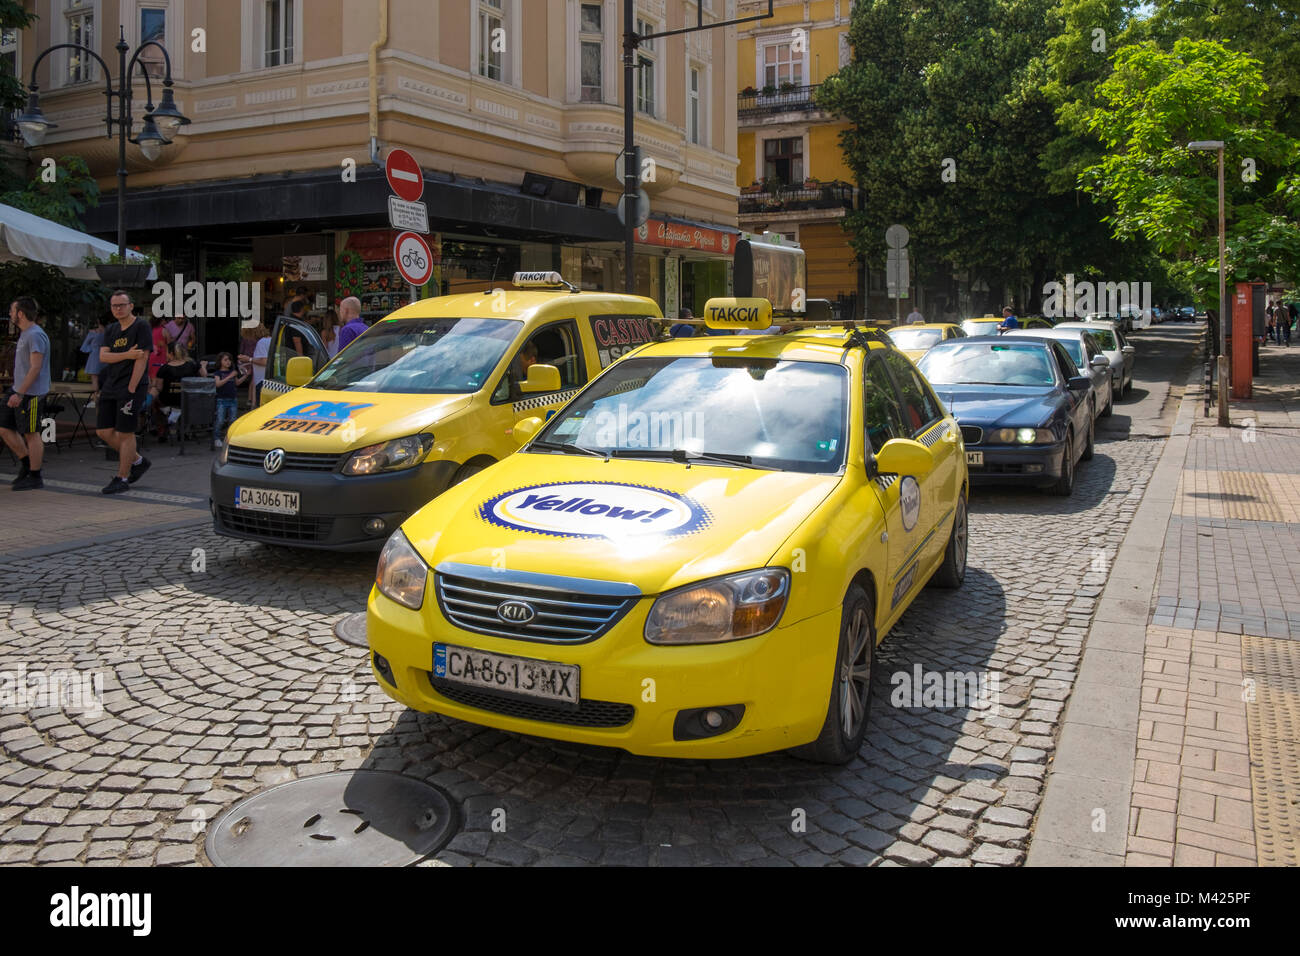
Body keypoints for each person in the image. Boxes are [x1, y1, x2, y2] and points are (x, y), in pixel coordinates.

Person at [95, 290, 152, 494]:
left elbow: (142, 358)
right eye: (114, 305)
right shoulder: (111, 329)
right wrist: (127, 353)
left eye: (121, 305)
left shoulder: (141, 326)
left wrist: (132, 387)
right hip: (111, 383)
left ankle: (122, 477)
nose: (118, 309)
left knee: (125, 432)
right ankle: (137, 460)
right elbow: (103, 357)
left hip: (131, 385)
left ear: (130, 305)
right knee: (103, 431)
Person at [1, 297, 52, 491]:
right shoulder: (26, 333)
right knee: (3, 427)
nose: (10, 314)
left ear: (20, 313)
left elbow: (36, 367)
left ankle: (35, 475)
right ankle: (26, 464)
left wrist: (20, 393)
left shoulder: (35, 335)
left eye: (12, 311)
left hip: (30, 393)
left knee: (32, 432)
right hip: (18, 389)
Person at [149, 341, 198, 440]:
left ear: (171, 353)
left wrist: (152, 385)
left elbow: (159, 388)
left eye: (167, 352)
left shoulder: (164, 369)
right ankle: (183, 431)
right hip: (187, 401)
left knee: (154, 402)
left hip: (168, 401)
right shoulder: (191, 365)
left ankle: (162, 430)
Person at [201, 351, 248, 446]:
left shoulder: (232, 372)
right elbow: (218, 384)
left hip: (233, 399)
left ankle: (230, 438)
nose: (228, 362)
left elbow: (237, 383)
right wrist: (230, 376)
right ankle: (216, 437)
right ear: (220, 361)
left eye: (229, 360)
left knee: (233, 419)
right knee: (220, 419)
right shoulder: (218, 373)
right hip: (221, 400)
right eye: (225, 360)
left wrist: (246, 375)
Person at [80, 315, 107, 403]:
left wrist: (93, 348)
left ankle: (95, 399)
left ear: (98, 321)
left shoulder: (93, 332)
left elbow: (84, 347)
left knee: (94, 378)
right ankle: (103, 398)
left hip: (95, 356)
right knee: (105, 378)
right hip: (106, 355)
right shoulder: (109, 332)